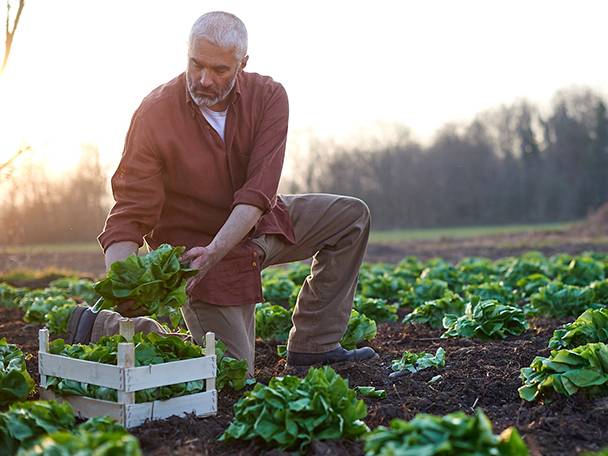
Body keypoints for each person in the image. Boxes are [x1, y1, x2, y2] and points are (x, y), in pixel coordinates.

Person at [67, 11, 376, 376]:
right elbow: (131, 211)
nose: (203, 79)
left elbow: (258, 193)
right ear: (187, 52)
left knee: (350, 218)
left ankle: (316, 345)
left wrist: (219, 250)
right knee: (231, 373)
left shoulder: (269, 97)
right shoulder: (154, 115)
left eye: (219, 70)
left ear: (242, 63)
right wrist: (123, 279)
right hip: (197, 252)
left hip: (259, 225)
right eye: (196, 64)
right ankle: (104, 326)